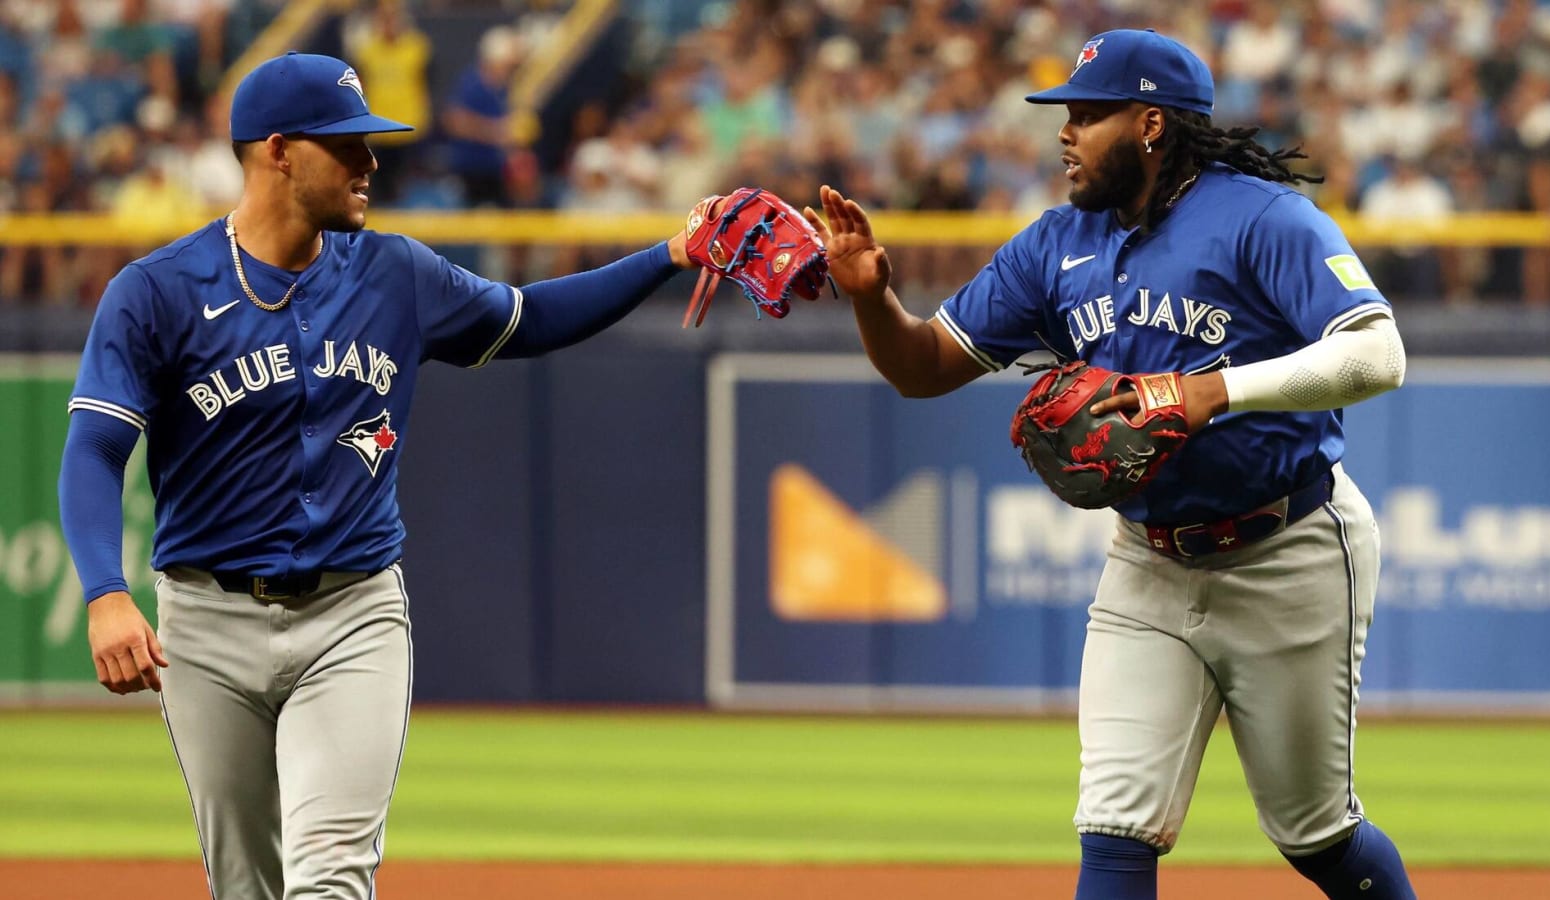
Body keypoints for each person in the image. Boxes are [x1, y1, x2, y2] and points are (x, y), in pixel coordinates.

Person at [58, 51, 702, 899]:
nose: (371, 163)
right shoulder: (157, 292)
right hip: (204, 626)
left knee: (330, 880)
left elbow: (532, 317)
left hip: (352, 613)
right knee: (247, 886)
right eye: (348, 145)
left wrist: (672, 251)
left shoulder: (397, 274)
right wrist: (105, 592)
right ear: (279, 151)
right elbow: (96, 450)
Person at [804, 29, 1417, 900]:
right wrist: (873, 300)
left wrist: (1211, 392)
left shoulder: (1262, 218)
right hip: (1149, 562)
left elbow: (1378, 354)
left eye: (1088, 115)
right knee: (1114, 829)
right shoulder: (1056, 245)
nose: (1065, 133)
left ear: (1153, 125)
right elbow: (922, 368)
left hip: (1290, 549)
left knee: (1316, 836)